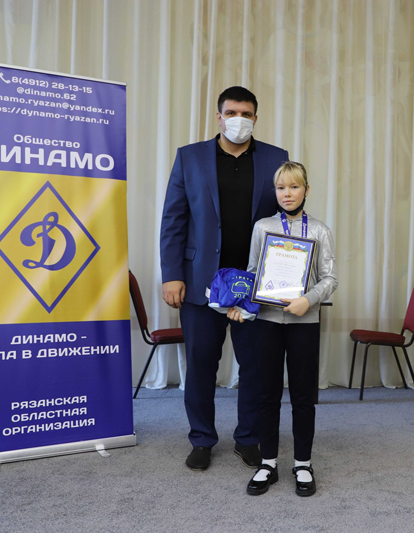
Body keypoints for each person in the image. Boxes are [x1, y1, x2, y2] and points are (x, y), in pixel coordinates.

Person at [160, 86, 289, 471]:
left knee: (255, 368)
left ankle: (248, 438)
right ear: (219, 117)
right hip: (201, 282)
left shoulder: (276, 159)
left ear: (256, 118)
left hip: (255, 285)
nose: (239, 120)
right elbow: (174, 220)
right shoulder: (190, 157)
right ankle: (201, 439)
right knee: (201, 365)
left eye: (246, 114)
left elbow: (287, 219)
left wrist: (285, 277)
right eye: (232, 113)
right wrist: (171, 275)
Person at [227, 161, 338, 497]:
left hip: (305, 322)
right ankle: (268, 462)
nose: (287, 194)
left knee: (303, 396)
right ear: (274, 191)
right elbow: (252, 273)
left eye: (294, 186)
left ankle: (303, 463)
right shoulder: (263, 227)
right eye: (280, 188)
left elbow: (330, 278)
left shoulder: (319, 230)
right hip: (267, 323)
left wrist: (309, 299)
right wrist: (241, 306)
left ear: (306, 190)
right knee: (266, 393)